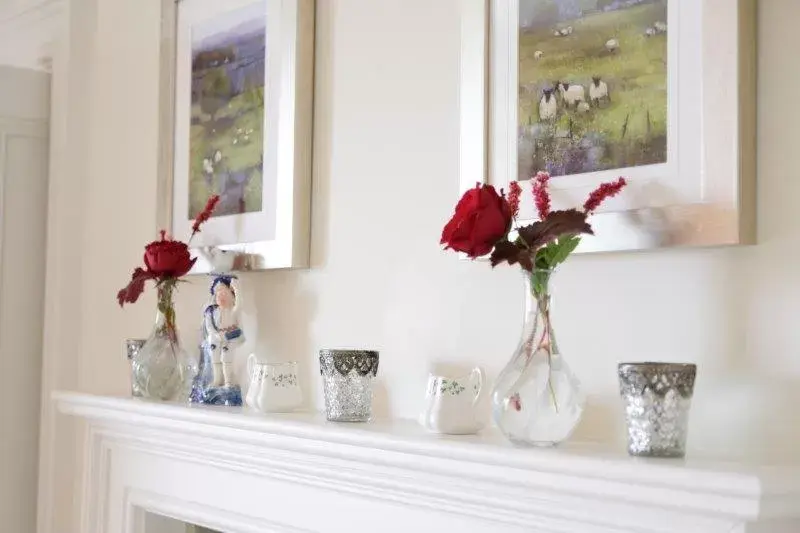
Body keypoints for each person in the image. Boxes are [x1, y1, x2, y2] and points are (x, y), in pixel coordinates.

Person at [203, 276, 244, 387]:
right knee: (215, 357)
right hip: (217, 338)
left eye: (224, 293)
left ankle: (228, 381)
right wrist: (216, 335)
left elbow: (239, 303)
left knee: (226, 358)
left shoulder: (234, 310)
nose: (221, 297)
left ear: (231, 295)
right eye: (219, 294)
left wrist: (235, 288)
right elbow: (209, 327)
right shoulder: (212, 312)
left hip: (231, 337)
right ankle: (218, 379)